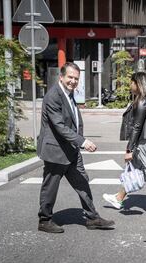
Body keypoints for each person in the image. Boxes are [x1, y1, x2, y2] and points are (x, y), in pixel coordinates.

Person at [37, 62, 115, 233]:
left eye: (76, 78)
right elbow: (59, 126)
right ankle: (44, 220)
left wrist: (77, 143)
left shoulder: (68, 93)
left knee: (82, 182)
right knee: (50, 187)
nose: (73, 81)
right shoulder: (53, 96)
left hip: (71, 150)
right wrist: (82, 141)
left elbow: (72, 120)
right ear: (62, 77)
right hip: (56, 150)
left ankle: (92, 217)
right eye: (70, 77)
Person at [102, 71, 146, 214]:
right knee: (134, 169)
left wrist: (129, 149)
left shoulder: (143, 100)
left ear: (138, 84)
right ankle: (119, 198)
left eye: (132, 82)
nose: (130, 85)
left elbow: (137, 126)